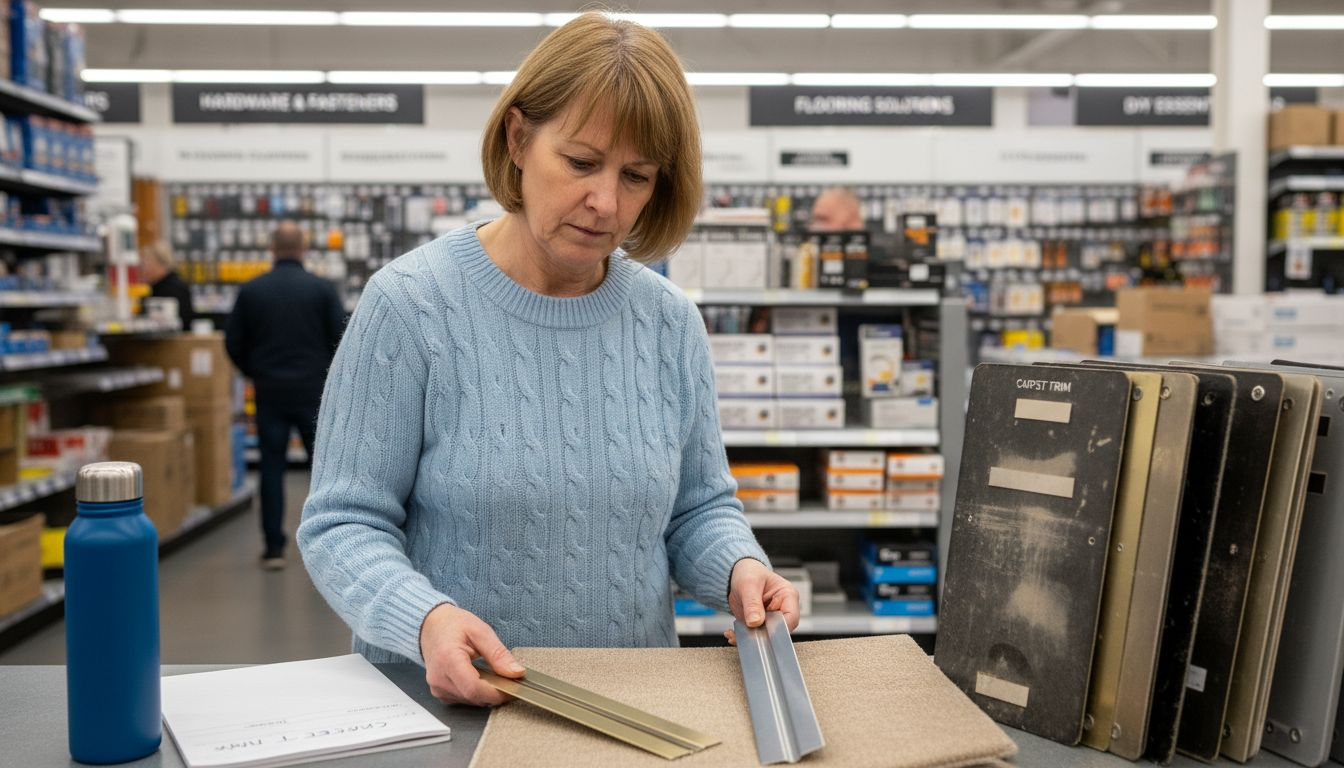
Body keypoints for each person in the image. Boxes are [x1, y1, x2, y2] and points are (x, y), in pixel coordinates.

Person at [298, 12, 800, 707]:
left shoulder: (667, 323)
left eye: (637, 176)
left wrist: (739, 566)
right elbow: (341, 523)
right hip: (449, 713)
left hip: (637, 715)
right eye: (582, 162)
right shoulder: (411, 307)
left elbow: (697, 509)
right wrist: (425, 619)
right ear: (518, 137)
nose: (605, 203)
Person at [225, 222, 345, 571]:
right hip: (314, 393)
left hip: (269, 391)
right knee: (323, 473)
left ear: (272, 249)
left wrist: (254, 370)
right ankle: (328, 548)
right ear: (304, 249)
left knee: (272, 469)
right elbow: (341, 337)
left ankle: (274, 549)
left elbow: (233, 342)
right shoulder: (322, 290)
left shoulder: (252, 291)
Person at [140, 240, 196, 331]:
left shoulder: (175, 288)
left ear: (159, 263)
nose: (142, 269)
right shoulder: (151, 287)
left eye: (145, 263)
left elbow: (183, 322)